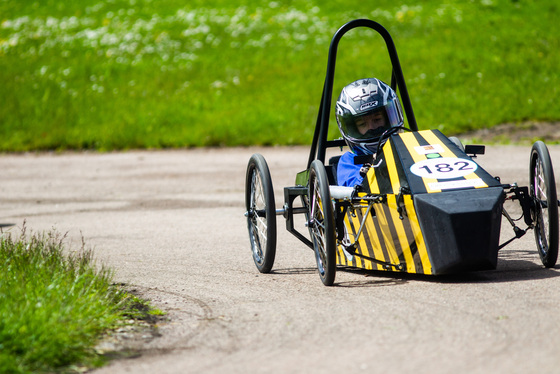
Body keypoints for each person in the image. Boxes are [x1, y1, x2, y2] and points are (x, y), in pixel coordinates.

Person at [335, 78, 404, 187]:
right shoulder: (348, 161)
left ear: (388, 118)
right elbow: (352, 187)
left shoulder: (407, 147)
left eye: (377, 120)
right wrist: (368, 171)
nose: (372, 128)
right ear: (353, 128)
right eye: (363, 124)